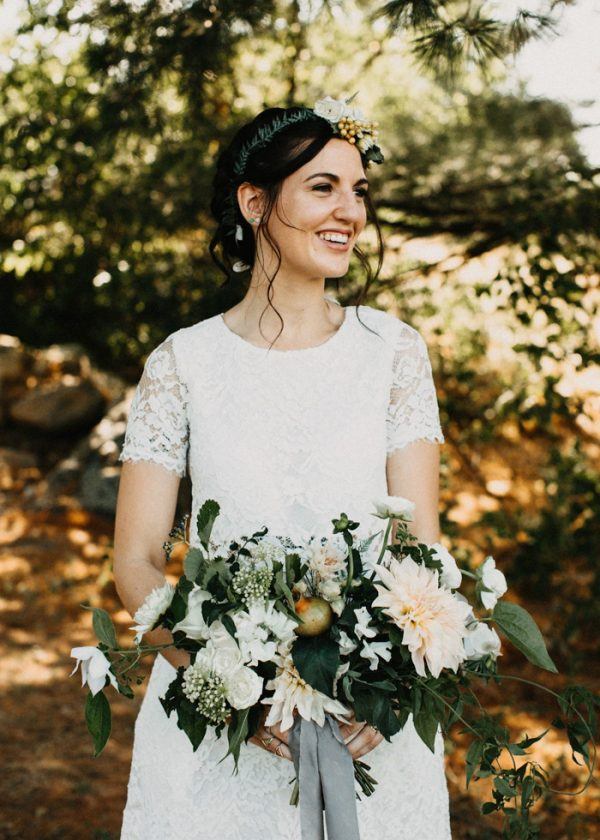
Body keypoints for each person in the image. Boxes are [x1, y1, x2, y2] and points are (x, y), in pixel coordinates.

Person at [113, 96, 450, 839]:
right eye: (324, 187)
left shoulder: (393, 354)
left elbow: (418, 545)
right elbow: (136, 558)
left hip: (371, 726)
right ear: (255, 202)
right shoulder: (183, 365)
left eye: (359, 191)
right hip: (218, 735)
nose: (352, 212)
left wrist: (389, 684)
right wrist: (218, 680)